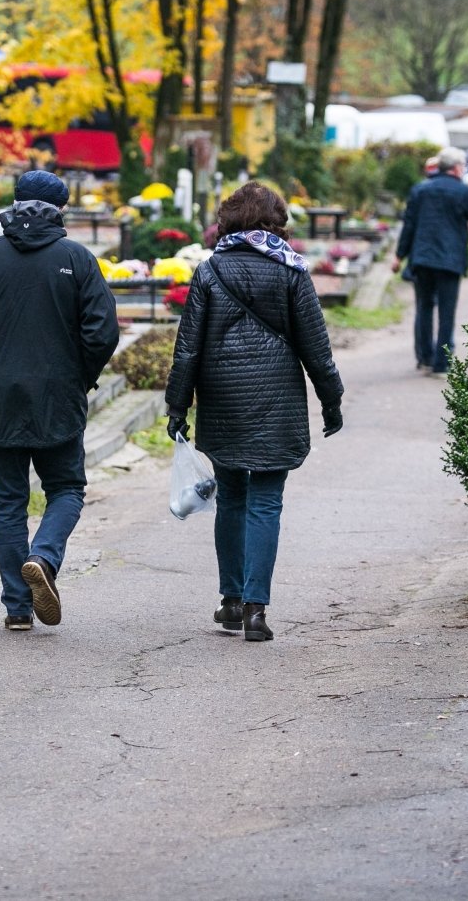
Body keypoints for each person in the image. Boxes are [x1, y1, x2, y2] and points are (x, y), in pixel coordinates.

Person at [164, 181, 344, 643]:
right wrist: (331, 399)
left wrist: (177, 406)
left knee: (231, 495)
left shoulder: (210, 271)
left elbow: (187, 349)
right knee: (266, 501)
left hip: (223, 396)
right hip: (276, 396)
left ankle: (229, 599)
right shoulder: (291, 271)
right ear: (275, 222)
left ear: (229, 220)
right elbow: (315, 346)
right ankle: (257, 610)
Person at [0, 170, 119, 631]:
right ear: (60, 210)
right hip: (59, 397)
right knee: (66, 488)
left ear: (14, 204)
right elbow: (102, 332)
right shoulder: (77, 259)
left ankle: (18, 607)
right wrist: (80, 376)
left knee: (8, 502)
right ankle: (44, 556)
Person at [392, 146, 468, 375]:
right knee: (447, 310)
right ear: (456, 168)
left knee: (424, 307)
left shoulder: (420, 190)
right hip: (450, 259)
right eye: (463, 166)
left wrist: (399, 255)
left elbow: (409, 225)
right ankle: (441, 362)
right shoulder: (463, 191)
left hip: (422, 258)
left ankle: (424, 356)